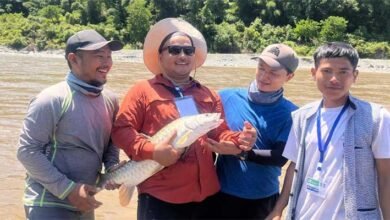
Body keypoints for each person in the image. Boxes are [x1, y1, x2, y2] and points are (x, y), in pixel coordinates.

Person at [111, 17, 256, 219]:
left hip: (206, 197)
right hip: (160, 197)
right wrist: (152, 151)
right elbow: (121, 131)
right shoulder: (142, 91)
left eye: (188, 51)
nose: (182, 55)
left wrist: (238, 141)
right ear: (160, 56)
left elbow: (219, 133)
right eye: (174, 50)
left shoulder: (209, 95)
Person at [267, 42, 390, 220]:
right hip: (303, 214)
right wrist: (278, 210)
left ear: (354, 76)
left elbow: (386, 177)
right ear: (313, 73)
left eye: (343, 72)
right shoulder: (302, 117)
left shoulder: (376, 118)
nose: (334, 79)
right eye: (327, 71)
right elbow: (294, 166)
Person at [17, 29, 123, 219]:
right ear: (74, 59)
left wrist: (112, 168)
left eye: (109, 56)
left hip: (85, 201)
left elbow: (110, 144)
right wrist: (69, 190)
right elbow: (27, 151)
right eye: (99, 56)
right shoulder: (51, 99)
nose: (107, 63)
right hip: (48, 203)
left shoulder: (111, 99)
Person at [206, 43, 299, 219]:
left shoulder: (293, 113)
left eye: (273, 73)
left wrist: (241, 152)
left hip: (262, 197)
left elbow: (280, 158)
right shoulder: (225, 97)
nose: (264, 76)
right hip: (221, 192)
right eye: (261, 68)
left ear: (290, 76)